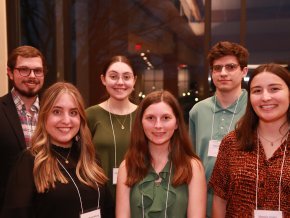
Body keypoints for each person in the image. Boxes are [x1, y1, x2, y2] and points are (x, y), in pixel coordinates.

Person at [0, 82, 114, 218]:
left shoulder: (91, 158)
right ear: (44, 117)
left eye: (73, 112)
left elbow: (108, 209)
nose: (66, 120)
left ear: (81, 118)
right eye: (57, 112)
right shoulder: (30, 161)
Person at [209, 63, 290, 217]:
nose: (265, 97)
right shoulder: (232, 143)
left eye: (274, 89)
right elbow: (219, 199)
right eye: (257, 91)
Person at [116, 90, 207, 218]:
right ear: (141, 123)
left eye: (166, 118)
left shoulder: (193, 167)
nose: (158, 125)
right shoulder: (126, 167)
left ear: (176, 123)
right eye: (150, 118)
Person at [188, 41, 249, 217]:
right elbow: (191, 158)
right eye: (217, 68)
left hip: (241, 201)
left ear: (243, 71)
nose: (223, 73)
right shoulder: (197, 111)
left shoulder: (254, 109)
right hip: (202, 199)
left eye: (230, 67)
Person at [0, 45, 46, 210]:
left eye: (37, 71)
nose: (32, 76)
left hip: (48, 206)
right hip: (9, 207)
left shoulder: (54, 113)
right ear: (10, 72)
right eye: (24, 70)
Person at [86, 55, 138, 197]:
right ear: (103, 79)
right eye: (113, 76)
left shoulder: (144, 116)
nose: (120, 82)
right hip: (98, 193)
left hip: (137, 192)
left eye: (126, 77)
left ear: (134, 80)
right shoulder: (90, 115)